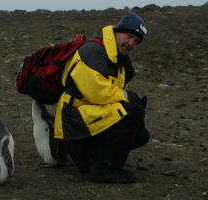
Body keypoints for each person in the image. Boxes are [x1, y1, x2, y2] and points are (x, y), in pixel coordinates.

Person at [54, 11, 150, 183]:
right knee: (133, 113)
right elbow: (97, 92)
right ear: (117, 31)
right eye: (129, 36)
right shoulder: (93, 51)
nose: (131, 43)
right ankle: (100, 168)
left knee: (140, 133)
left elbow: (110, 98)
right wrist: (128, 97)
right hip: (75, 123)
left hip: (87, 119)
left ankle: (108, 164)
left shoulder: (118, 60)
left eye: (136, 41)